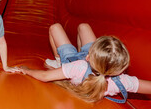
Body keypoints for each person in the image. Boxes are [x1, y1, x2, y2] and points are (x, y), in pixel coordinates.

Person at [15, 23, 151, 102]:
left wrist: (27, 70)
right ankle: (94, 55)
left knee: (55, 27)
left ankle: (58, 63)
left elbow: (44, 77)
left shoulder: (78, 66)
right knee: (83, 26)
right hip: (96, 61)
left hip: (73, 61)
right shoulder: (121, 80)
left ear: (89, 56)